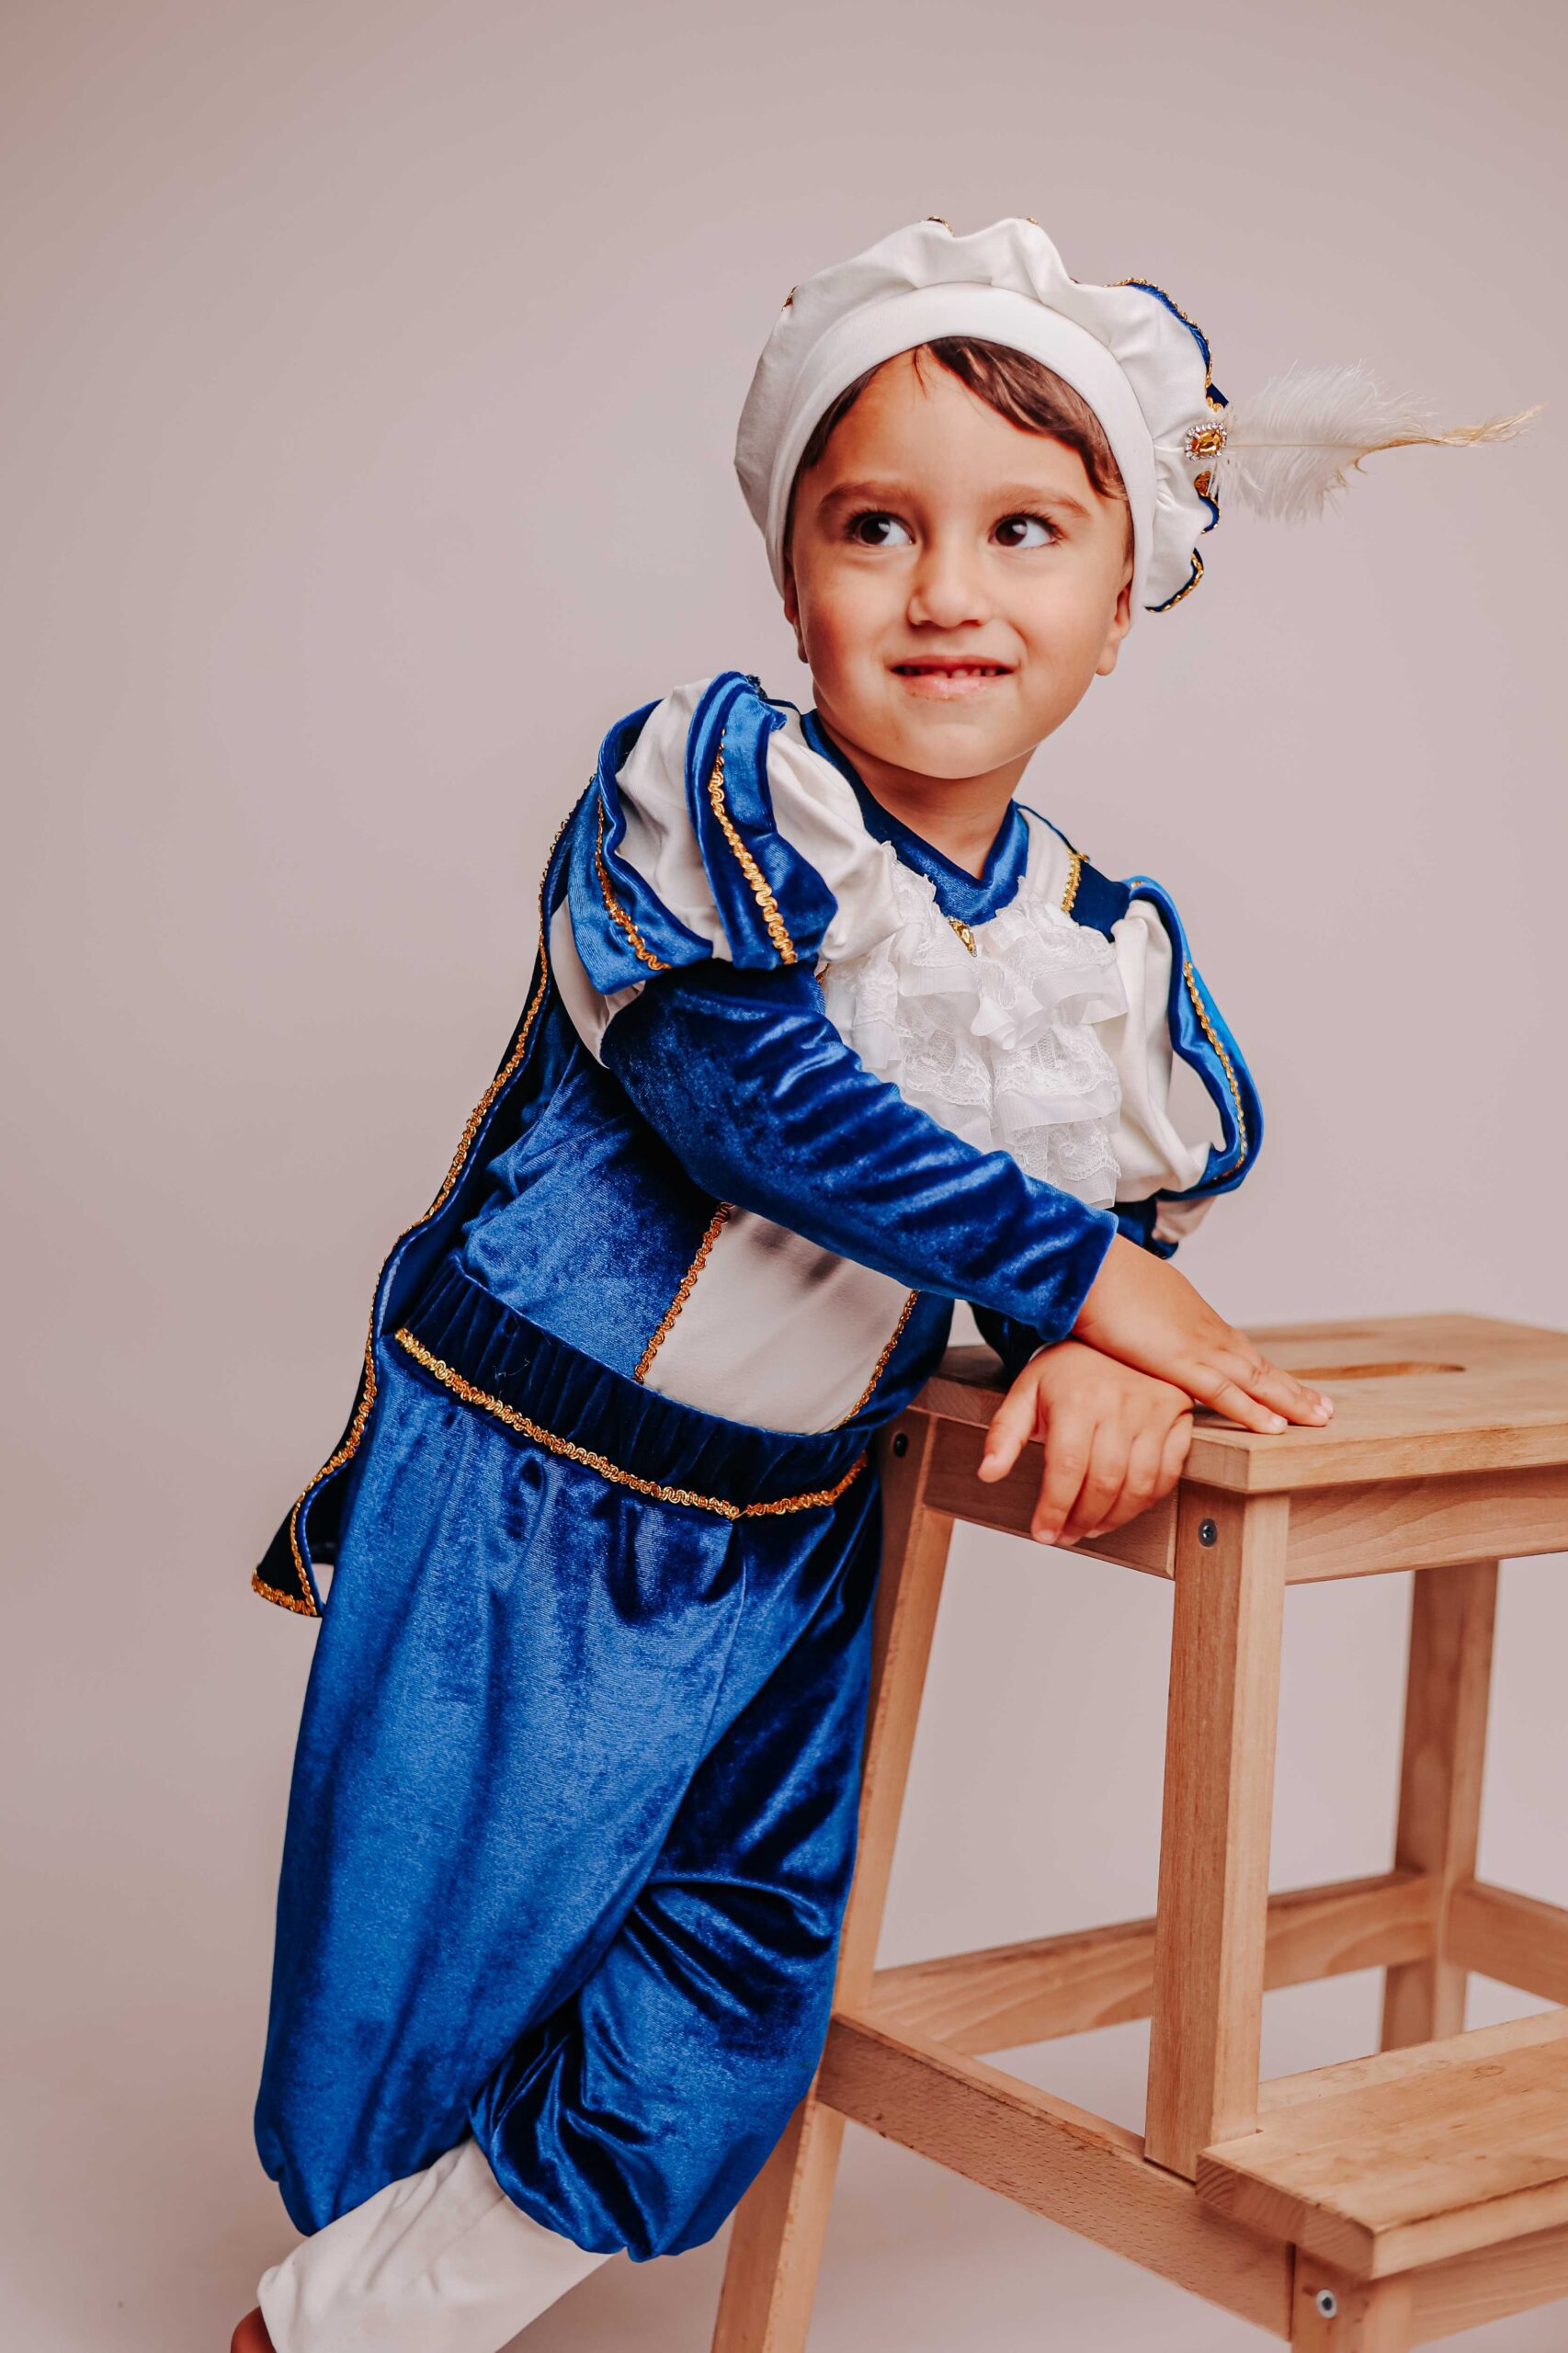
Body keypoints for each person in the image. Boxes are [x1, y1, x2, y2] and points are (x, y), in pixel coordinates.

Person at [234, 216, 1523, 2352]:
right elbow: (747, 1093)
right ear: (792, 583)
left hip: (799, 1534)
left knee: (737, 1998)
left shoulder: (1094, 947)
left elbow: (1117, 1203)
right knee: (413, 2008)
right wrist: (1080, 1277)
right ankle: (342, 2295)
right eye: (875, 527)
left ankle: (341, 2324)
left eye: (1023, 529)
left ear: (1119, 603)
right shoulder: (705, 786)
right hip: (532, 1495)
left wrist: (1086, 1332)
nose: (946, 589)